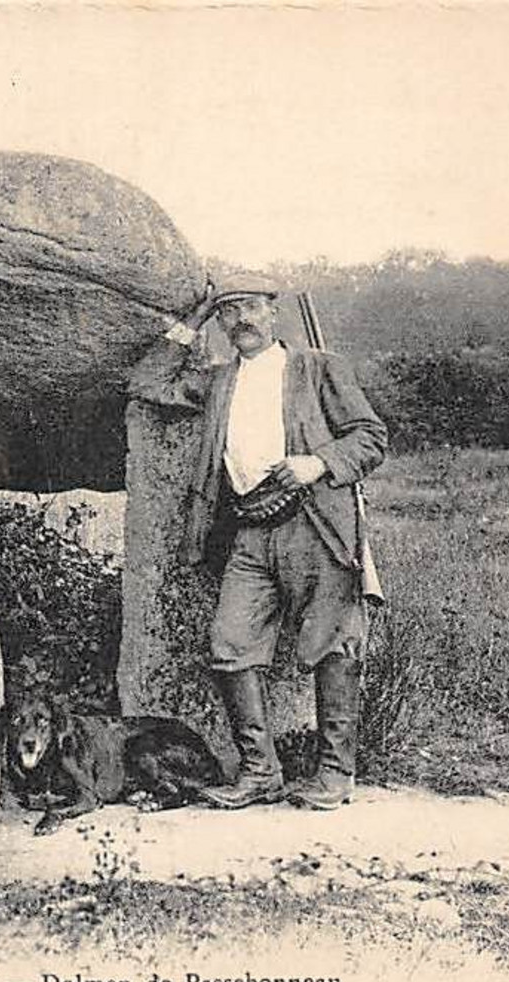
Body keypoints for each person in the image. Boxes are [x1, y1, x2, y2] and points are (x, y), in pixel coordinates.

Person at [126, 272, 387, 810]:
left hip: (316, 524)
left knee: (334, 645)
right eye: (228, 312)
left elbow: (370, 438)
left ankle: (336, 775)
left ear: (273, 312)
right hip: (248, 531)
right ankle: (260, 773)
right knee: (230, 643)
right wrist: (193, 318)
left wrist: (317, 463)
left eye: (250, 307)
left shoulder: (318, 368)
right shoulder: (219, 380)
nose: (240, 319)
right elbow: (147, 381)